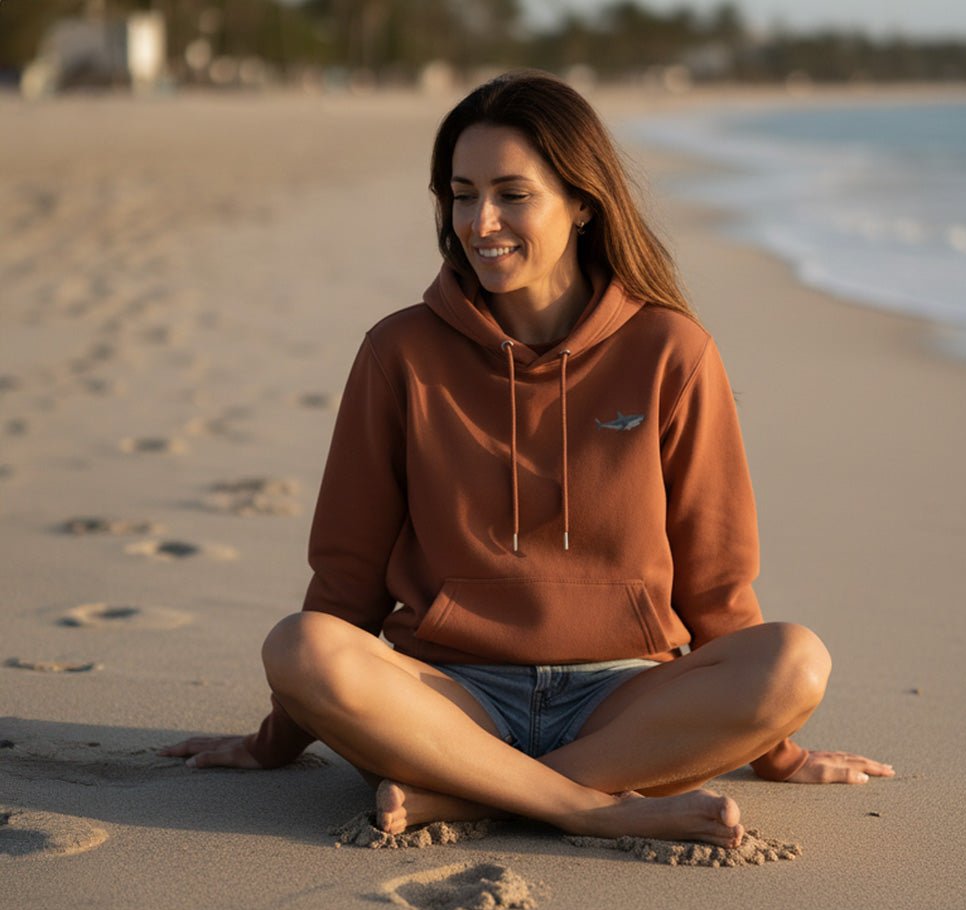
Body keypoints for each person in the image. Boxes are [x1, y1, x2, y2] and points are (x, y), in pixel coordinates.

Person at [162, 71, 893, 847]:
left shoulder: (671, 351)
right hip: (449, 695)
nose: (482, 221)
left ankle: (471, 793)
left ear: (582, 203)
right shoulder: (399, 352)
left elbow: (717, 584)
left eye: (513, 194)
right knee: (297, 646)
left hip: (625, 702)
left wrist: (773, 749)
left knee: (796, 660)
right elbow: (347, 578)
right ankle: (585, 806)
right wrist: (277, 736)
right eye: (462, 193)